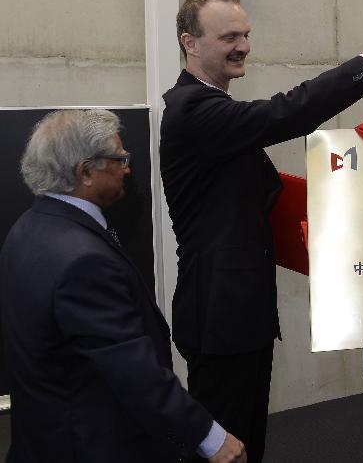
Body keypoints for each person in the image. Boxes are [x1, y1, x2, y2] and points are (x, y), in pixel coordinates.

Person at [160, 0, 363, 462]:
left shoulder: (213, 111)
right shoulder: (194, 110)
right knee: (225, 446)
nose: (243, 46)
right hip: (221, 315)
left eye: (246, 35)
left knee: (244, 440)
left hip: (238, 310)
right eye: (229, 37)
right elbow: (286, 113)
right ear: (191, 43)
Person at [0, 109, 245, 463]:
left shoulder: (26, 229)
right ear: (86, 172)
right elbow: (133, 370)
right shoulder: (83, 261)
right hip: (91, 444)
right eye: (119, 159)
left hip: (43, 437)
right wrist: (211, 438)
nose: (127, 169)